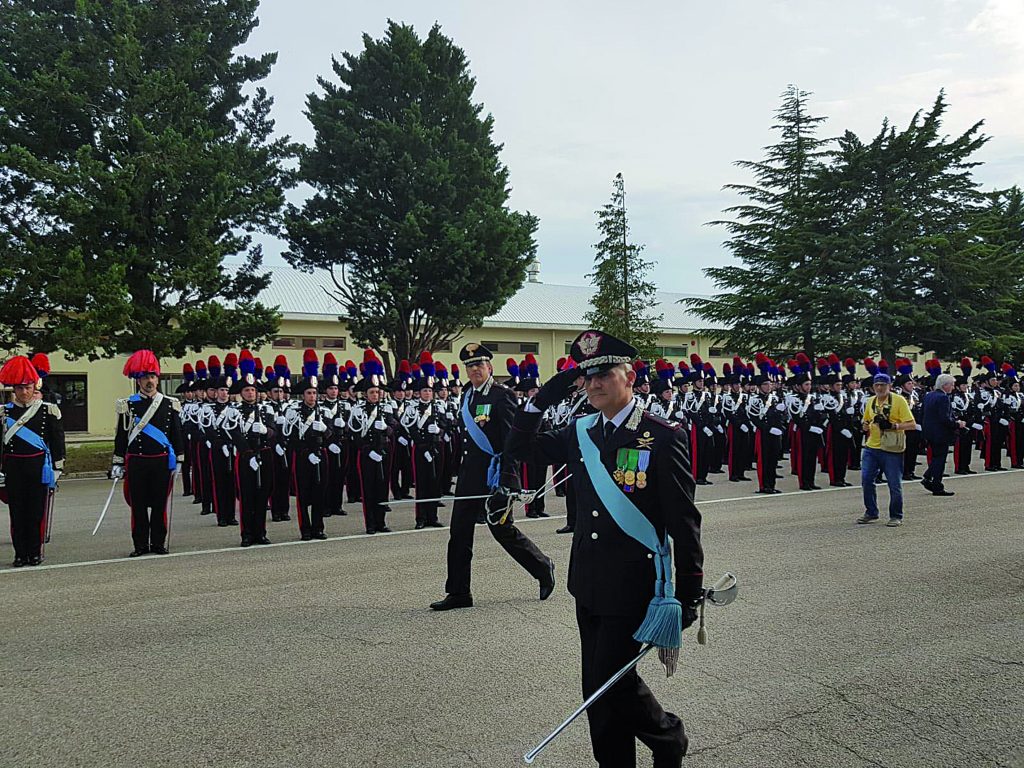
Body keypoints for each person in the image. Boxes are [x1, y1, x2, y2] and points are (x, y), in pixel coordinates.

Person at [502, 329, 703, 767]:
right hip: (588, 581)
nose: (594, 385)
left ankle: (668, 737)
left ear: (629, 376)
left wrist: (687, 593)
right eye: (587, 378)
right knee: (597, 691)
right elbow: (517, 448)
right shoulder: (580, 433)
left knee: (607, 681)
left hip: (634, 583)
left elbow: (683, 522)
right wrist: (545, 396)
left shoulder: (662, 436)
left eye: (604, 374)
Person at [429, 343, 554, 611]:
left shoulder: (502, 396)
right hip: (469, 475)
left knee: (501, 530)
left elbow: (513, 442)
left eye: (479, 365)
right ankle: (459, 592)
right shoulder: (467, 395)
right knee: (459, 532)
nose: (474, 370)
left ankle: (543, 567)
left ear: (489, 367)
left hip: (495, 475)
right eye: (470, 366)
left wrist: (507, 481)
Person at [111, 350, 184, 556]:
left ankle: (158, 543)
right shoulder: (128, 405)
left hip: (161, 461)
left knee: (160, 504)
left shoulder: (170, 404)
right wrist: (118, 461)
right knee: (139, 506)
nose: (149, 381)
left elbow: (176, 432)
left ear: (157, 378)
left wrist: (179, 458)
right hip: (137, 461)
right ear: (138, 380)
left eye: (152, 377)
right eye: (145, 378)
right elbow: (122, 435)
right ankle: (140, 545)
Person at [1, 355, 65, 567]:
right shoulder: (4, 413)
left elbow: (57, 441)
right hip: (14, 468)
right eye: (19, 388)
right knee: (17, 512)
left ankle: (35, 552)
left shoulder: (47, 411)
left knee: (36, 512)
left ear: (33, 386)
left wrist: (57, 467)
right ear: (14, 390)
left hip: (38, 467)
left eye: (27, 387)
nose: (24, 392)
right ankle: (20, 554)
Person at [857, 373, 917, 527]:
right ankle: (871, 511)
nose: (879, 388)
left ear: (889, 386)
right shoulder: (871, 402)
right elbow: (866, 421)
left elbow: (911, 424)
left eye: (883, 385)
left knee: (894, 483)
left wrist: (893, 426)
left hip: (891, 448)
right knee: (866, 480)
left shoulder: (899, 401)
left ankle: (896, 515)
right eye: (877, 385)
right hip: (872, 447)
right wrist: (864, 426)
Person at [921, 373, 963, 497]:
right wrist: (957, 424)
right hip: (940, 432)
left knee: (936, 457)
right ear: (945, 385)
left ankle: (928, 477)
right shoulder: (943, 398)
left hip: (930, 432)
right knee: (940, 459)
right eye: (951, 384)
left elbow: (923, 413)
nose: (953, 387)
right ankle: (937, 485)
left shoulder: (929, 396)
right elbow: (944, 418)